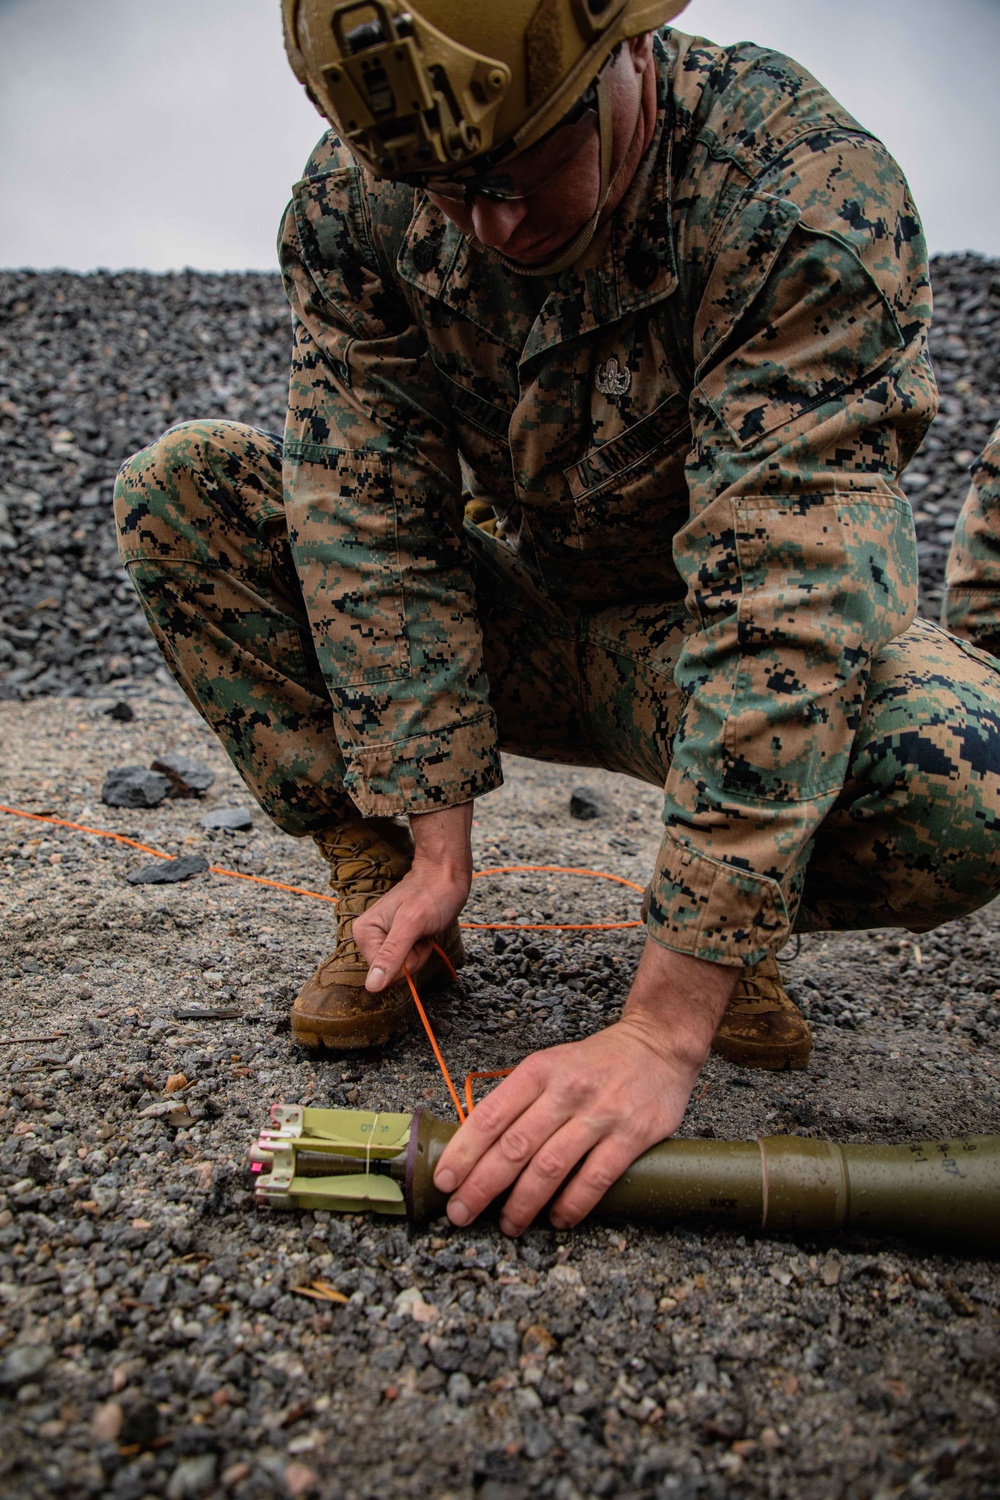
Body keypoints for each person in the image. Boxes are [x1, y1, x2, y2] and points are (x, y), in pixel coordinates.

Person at [114, 0, 1000, 1238]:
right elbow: (369, 520)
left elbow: (785, 612)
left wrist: (663, 1018)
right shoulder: (358, 204)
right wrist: (430, 842)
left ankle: (737, 933)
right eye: (440, 187)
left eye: (518, 169)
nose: (489, 222)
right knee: (186, 492)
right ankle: (384, 901)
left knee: (965, 776)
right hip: (514, 616)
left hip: (693, 644)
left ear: (626, 52)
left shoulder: (799, 196)